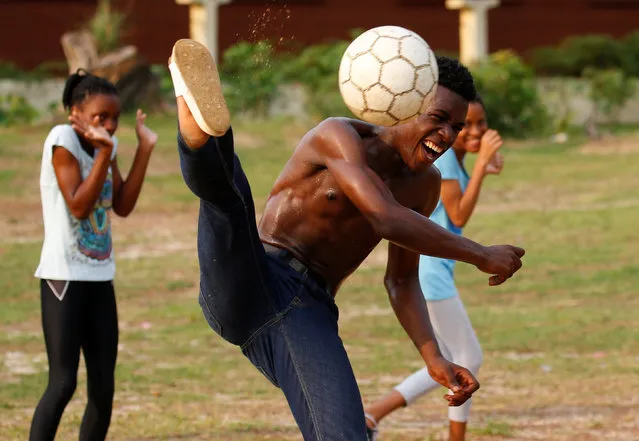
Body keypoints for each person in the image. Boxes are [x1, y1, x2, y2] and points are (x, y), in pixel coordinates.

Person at [168, 39, 524, 441]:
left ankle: (203, 133)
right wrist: (480, 254)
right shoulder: (338, 135)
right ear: (406, 102)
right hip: (253, 272)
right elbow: (384, 216)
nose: (446, 135)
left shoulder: (425, 186)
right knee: (230, 200)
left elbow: (401, 281)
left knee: (344, 435)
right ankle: (200, 128)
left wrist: (433, 357)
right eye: (438, 118)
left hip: (307, 310)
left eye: (455, 127)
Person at [363, 96, 504, 441]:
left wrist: (482, 165)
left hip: (435, 272)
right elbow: (458, 216)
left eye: (479, 123)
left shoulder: (454, 160)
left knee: (447, 361)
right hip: (430, 274)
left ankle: (371, 415)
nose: (474, 130)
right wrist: (483, 161)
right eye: (465, 124)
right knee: (468, 356)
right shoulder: (449, 166)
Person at [30, 70, 157, 441]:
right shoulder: (62, 139)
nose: (110, 125)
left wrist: (143, 149)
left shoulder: (109, 146)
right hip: (64, 278)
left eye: (115, 118)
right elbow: (80, 206)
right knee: (63, 382)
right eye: (101, 117)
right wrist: (104, 151)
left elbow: (122, 204)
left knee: (103, 387)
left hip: (100, 278)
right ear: (75, 113)